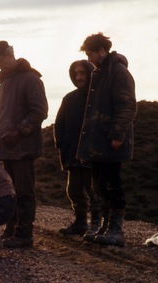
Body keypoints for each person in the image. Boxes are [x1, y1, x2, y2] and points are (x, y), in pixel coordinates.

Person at [0, 41, 48, 248]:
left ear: (10, 54)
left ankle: (24, 235)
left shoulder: (31, 79)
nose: (0, 65)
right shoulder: (5, 82)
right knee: (9, 192)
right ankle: (12, 229)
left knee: (23, 191)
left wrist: (19, 131)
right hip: (5, 149)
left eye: (1, 60)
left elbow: (40, 111)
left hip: (23, 149)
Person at [77, 33, 136, 246]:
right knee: (101, 186)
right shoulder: (100, 73)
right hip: (99, 142)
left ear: (102, 50)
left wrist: (118, 134)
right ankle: (105, 227)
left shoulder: (118, 72)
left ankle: (116, 230)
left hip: (111, 142)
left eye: (91, 53)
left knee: (112, 185)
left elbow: (127, 105)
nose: (90, 58)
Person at [54, 60, 102, 236]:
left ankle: (96, 224)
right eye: (76, 74)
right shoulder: (69, 98)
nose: (79, 77)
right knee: (74, 190)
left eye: (82, 73)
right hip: (72, 152)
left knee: (94, 190)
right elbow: (59, 123)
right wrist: (61, 143)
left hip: (92, 154)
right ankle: (80, 222)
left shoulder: (98, 97)